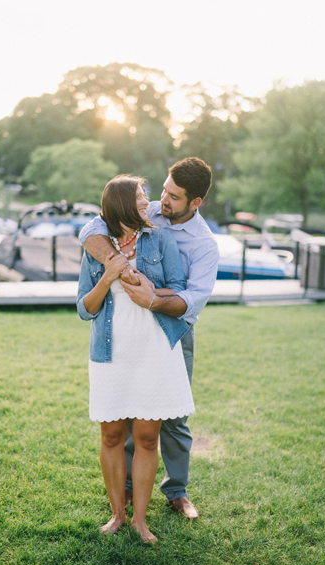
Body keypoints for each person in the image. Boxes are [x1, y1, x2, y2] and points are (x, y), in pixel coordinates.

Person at [79, 157, 218, 520]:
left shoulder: (204, 244)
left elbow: (190, 299)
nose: (161, 201)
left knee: (173, 418)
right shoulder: (147, 210)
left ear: (195, 202)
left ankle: (177, 491)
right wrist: (116, 267)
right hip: (121, 333)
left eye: (173, 196)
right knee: (127, 411)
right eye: (163, 191)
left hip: (174, 330)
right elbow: (92, 229)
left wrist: (153, 299)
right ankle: (125, 489)